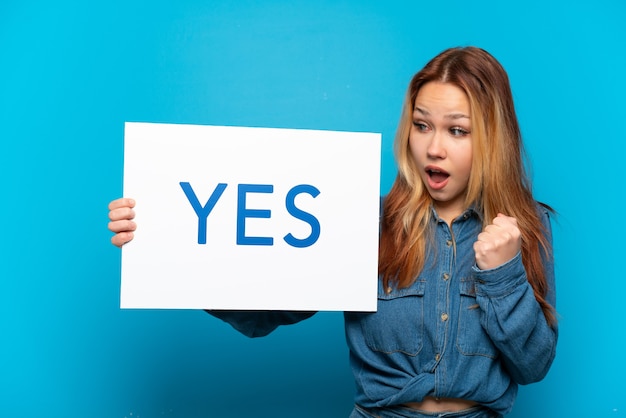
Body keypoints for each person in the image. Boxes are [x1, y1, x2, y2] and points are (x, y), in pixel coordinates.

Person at [108, 46, 557, 417]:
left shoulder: (524, 229)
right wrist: (168, 236)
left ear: (493, 138)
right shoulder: (363, 220)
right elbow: (267, 313)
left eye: (457, 131)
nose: (433, 148)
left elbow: (533, 365)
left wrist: (503, 275)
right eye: (421, 126)